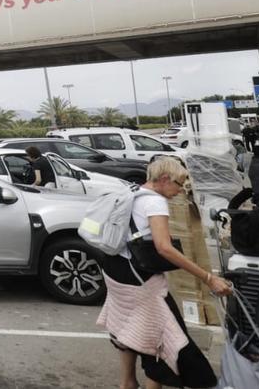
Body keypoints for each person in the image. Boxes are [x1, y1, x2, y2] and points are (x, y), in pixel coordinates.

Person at [97, 157, 232, 389]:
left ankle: (127, 383)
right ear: (163, 179)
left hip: (115, 269)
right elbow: (164, 247)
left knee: (127, 326)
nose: (181, 190)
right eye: (179, 184)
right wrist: (208, 277)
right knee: (164, 340)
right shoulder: (155, 202)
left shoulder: (133, 194)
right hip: (139, 279)